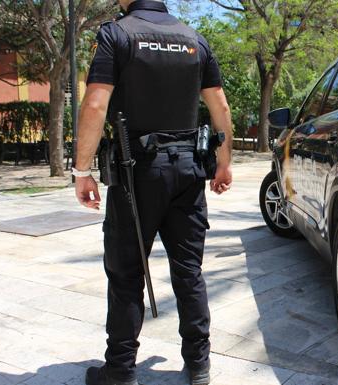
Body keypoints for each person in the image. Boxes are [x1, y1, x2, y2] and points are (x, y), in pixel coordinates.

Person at [73, 0, 233, 384]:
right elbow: (220, 106)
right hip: (189, 172)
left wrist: (82, 170)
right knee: (188, 272)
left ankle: (121, 371)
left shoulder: (117, 34)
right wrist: (224, 162)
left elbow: (95, 104)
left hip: (138, 174)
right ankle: (199, 365)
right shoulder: (194, 39)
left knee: (127, 273)